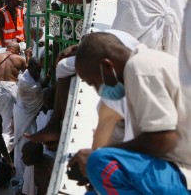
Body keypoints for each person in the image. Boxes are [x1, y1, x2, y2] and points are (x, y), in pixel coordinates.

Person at [70, 31, 191, 193]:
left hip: (181, 172)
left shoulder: (140, 68)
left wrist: (98, 154)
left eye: (94, 82)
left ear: (107, 66)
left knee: (99, 161)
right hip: (170, 171)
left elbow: (162, 140)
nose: (98, 90)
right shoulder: (142, 66)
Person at [0, 42, 28, 135]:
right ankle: (3, 143)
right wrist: (28, 56)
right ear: (17, 50)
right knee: (6, 121)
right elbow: (28, 74)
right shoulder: (19, 58)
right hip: (8, 89)